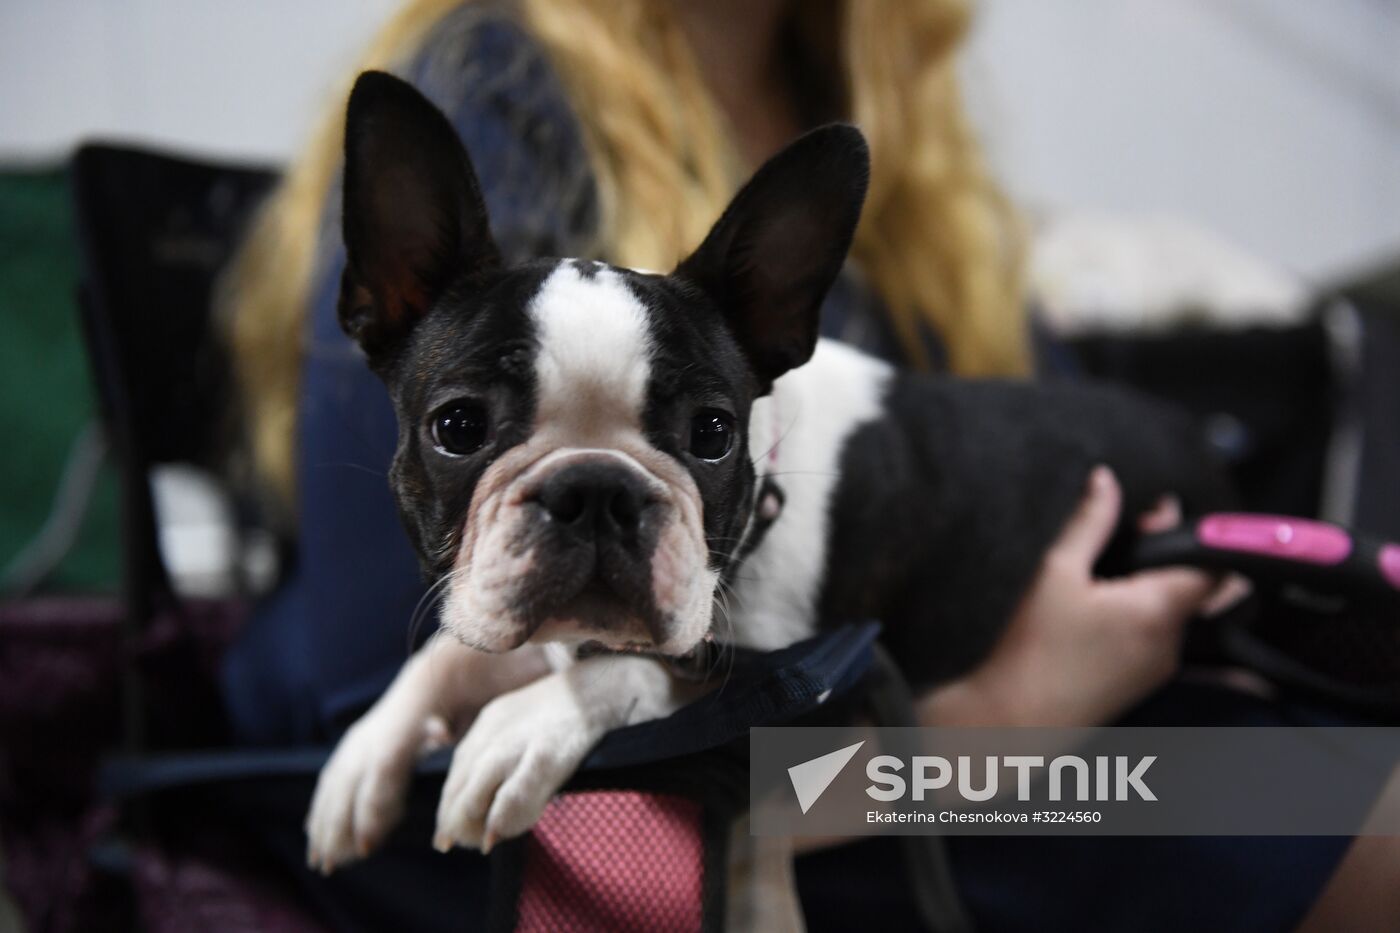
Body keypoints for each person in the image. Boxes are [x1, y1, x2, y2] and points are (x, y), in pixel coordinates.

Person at [219, 0, 1393, 929]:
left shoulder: (891, 128)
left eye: (699, 433)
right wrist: (998, 732)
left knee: (1330, 768)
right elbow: (433, 763)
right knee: (1336, 823)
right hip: (740, 802)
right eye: (477, 427)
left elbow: (1043, 431)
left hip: (904, 739)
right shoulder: (495, 87)